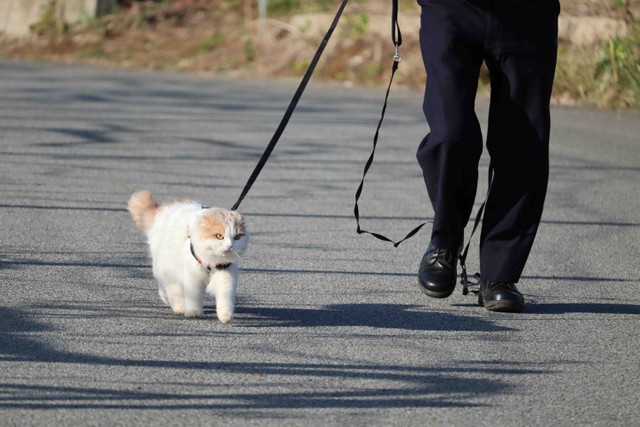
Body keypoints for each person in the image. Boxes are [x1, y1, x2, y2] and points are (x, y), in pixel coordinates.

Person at [415, 0, 560, 312]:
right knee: (449, 133)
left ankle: (499, 274)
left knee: (523, 144)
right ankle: (444, 243)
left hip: (527, 15)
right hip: (450, 7)